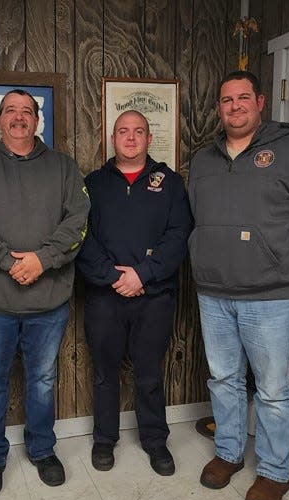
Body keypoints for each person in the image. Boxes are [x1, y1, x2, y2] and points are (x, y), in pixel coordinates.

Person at [188, 70, 289, 500]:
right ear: (218, 108)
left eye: (243, 97)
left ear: (261, 101)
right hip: (213, 293)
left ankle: (273, 471)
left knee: (271, 390)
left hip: (271, 297)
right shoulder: (203, 160)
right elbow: (197, 218)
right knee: (224, 380)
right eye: (226, 100)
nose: (235, 106)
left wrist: (282, 263)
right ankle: (229, 452)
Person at [0, 89, 90, 498]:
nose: (18, 117)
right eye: (11, 110)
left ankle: (42, 449)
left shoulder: (64, 168)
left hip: (48, 302)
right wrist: (9, 262)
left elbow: (78, 221)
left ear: (37, 120)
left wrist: (42, 260)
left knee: (43, 380)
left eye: (26, 111)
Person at [76, 110, 192, 475]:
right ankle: (104, 440)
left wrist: (142, 275)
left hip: (154, 296)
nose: (130, 138)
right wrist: (113, 276)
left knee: (149, 374)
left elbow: (178, 236)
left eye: (138, 131)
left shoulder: (170, 183)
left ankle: (156, 441)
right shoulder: (93, 183)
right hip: (104, 296)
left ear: (148, 138)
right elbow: (81, 238)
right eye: (123, 131)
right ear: (112, 139)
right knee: (105, 374)